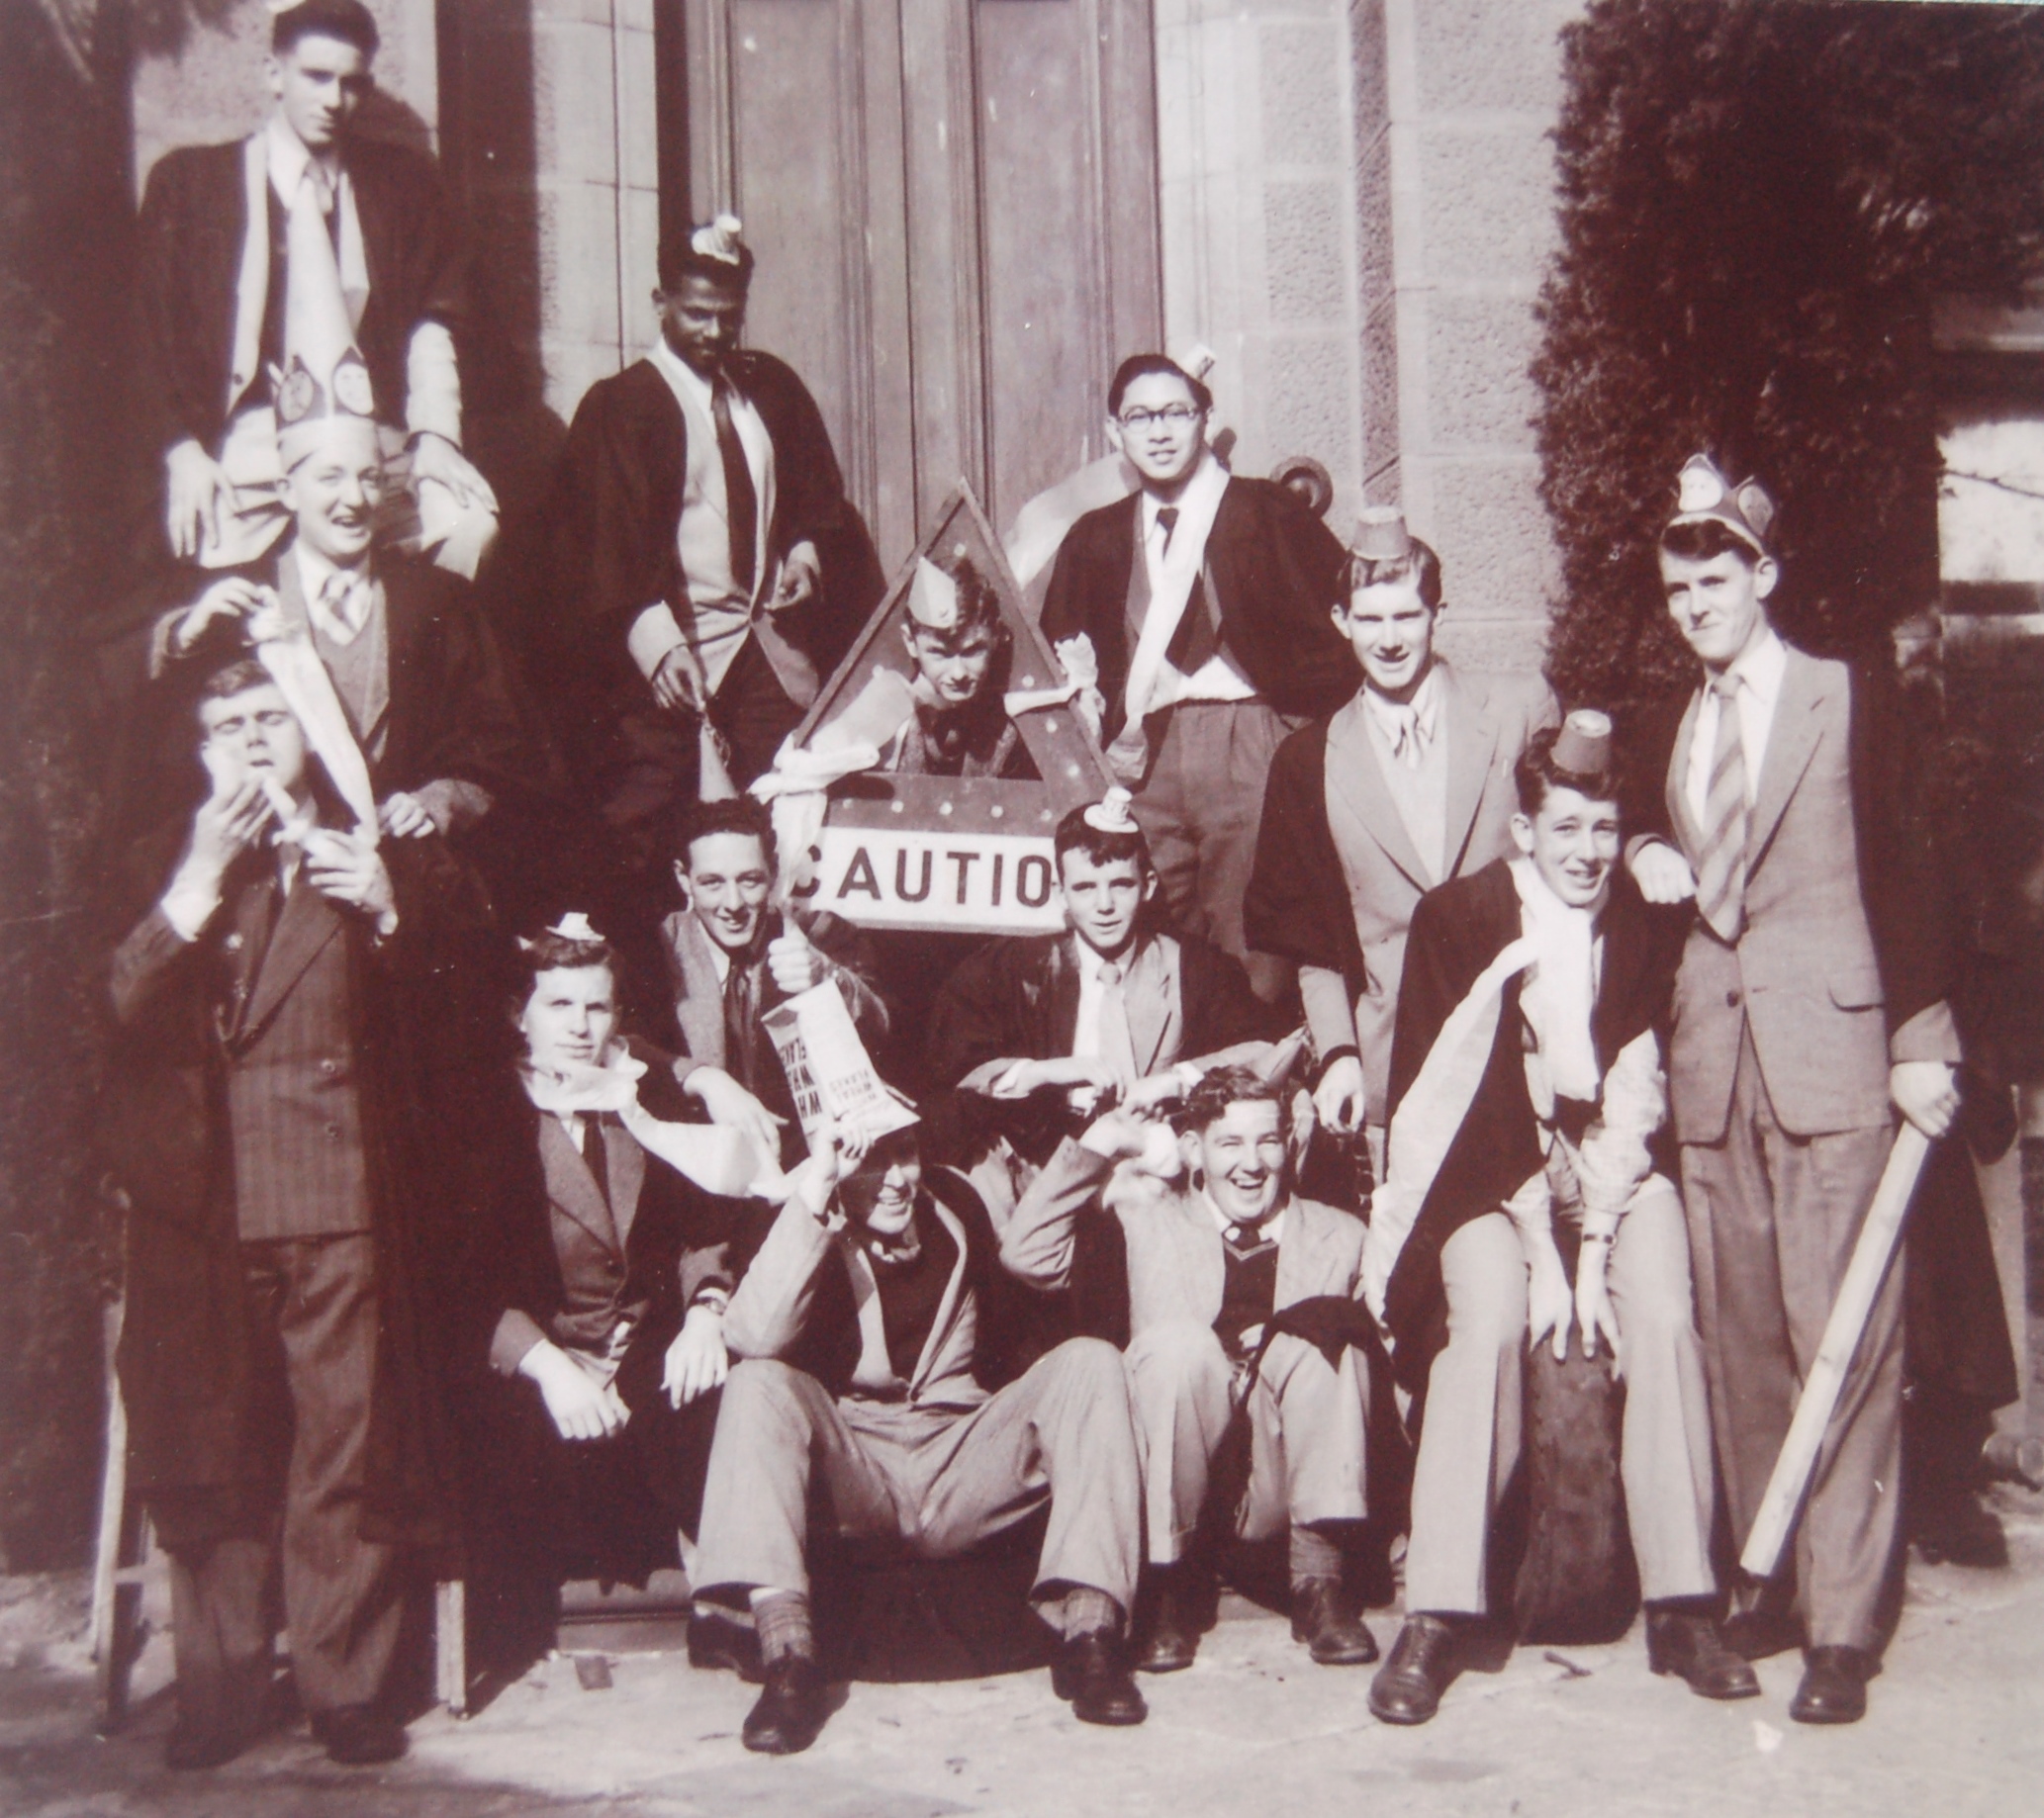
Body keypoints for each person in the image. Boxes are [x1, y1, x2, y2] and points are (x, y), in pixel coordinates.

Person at [1622, 455, 1963, 1726]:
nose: (1693, 604)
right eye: (1676, 588)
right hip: (1712, 1062)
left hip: (1833, 1051)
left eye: (1714, 579)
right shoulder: (1672, 716)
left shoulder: (1842, 693)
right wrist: (1645, 843)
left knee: (1845, 1331)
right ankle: (1763, 1570)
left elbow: (1910, 856)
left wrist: (1919, 1032)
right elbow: (1646, 829)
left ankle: (1840, 1621)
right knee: (1743, 1335)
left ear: (1761, 575)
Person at [100, 659, 489, 1769]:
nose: (253, 738)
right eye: (228, 723)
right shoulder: (165, 861)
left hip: (341, 1195)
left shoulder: (366, 850)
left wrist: (390, 907)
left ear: (310, 730)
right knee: (212, 1447)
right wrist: (196, 878)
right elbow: (117, 1006)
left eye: (272, 716)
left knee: (344, 1443)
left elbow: (462, 1012)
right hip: (204, 1211)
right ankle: (219, 1687)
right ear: (200, 749)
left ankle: (344, 1684)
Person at [1360, 713, 1750, 1726]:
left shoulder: (1636, 920)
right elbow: (1462, 1103)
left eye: (1604, 829)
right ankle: (1435, 1609)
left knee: (1661, 1309)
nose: (1585, 852)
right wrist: (1545, 1256)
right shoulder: (1459, 917)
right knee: (1490, 1316)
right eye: (1564, 828)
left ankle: (1682, 1601)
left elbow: (1634, 1091)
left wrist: (1594, 1253)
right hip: (1484, 1177)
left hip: (1607, 1165)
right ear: (1523, 830)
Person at [690, 1119, 1149, 1753]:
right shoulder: (801, 1218)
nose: (896, 1179)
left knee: (1091, 1361)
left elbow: (1027, 1267)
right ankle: (789, 1659)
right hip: (860, 1460)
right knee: (755, 1382)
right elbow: (752, 1336)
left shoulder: (954, 1206)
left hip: (960, 1452)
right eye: (869, 1161)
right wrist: (818, 1189)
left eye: (904, 1154)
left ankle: (1092, 1639)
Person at [457, 916, 765, 1670]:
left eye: (596, 1007)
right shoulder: (489, 1113)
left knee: (711, 1394)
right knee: (504, 1437)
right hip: (542, 1349)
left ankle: (724, 1607)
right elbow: (466, 1279)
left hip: (638, 1340)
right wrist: (549, 1366)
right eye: (558, 1005)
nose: (578, 1026)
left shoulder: (637, 1099)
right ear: (521, 1015)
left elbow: (700, 1229)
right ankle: (510, 1625)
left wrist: (705, 1312)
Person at [539, 213, 884, 883]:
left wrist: (804, 554)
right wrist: (655, 642)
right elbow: (604, 539)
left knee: (789, 801)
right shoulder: (621, 407)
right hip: (669, 648)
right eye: (697, 314)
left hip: (763, 647)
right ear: (661, 303)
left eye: (729, 317)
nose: (714, 332)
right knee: (652, 811)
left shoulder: (767, 389)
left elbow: (814, 493)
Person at [1002, 1067, 1379, 1675]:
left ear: (1289, 1144)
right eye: (1229, 1143)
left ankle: (1319, 1583)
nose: (1251, 1164)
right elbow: (1026, 1254)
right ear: (1193, 1151)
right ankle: (1165, 1588)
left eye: (1267, 1141)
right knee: (1181, 1345)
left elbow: (1386, 1364)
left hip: (1281, 1483)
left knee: (1326, 1334)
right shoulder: (1145, 1220)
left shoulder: (1344, 1236)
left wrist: (1285, 1340)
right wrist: (1101, 1142)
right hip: (1177, 1477)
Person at [1246, 506, 1557, 1175]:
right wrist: (1339, 1054)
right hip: (1395, 1071)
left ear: (1437, 614)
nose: (1389, 640)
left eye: (1407, 616)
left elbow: (1571, 871)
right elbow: (1312, 943)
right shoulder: (1309, 760)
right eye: (1370, 619)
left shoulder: (1519, 710)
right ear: (1341, 621)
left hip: (1522, 1054)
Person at [136, 0, 496, 577]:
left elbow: (433, 321)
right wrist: (180, 450)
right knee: (198, 553)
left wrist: (436, 437)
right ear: (274, 73)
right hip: (246, 448)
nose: (333, 100)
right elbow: (148, 333)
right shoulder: (191, 185)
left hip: (372, 446)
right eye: (316, 76)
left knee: (467, 523)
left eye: (351, 84)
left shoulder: (403, 188)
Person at [142, 358, 539, 877]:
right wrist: (182, 639)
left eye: (370, 479)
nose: (353, 499)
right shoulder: (235, 604)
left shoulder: (437, 601)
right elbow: (163, 759)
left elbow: (501, 742)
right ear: (287, 490)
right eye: (329, 477)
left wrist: (439, 799)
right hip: (268, 875)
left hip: (404, 873)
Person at [1040, 354, 1354, 999]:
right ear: (1114, 431)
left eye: (1176, 413)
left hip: (1248, 741)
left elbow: (1344, 621)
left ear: (1204, 419)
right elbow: (1057, 651)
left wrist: (1294, 732)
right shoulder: (1096, 537)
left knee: (1254, 935)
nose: (1159, 432)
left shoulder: (1267, 512)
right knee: (1149, 935)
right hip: (1141, 759)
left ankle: (1252, 1054)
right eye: (1140, 417)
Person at [926, 792, 1281, 1221]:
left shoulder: (1193, 967)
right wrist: (1045, 1071)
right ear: (1060, 893)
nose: (1104, 906)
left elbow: (1266, 1050)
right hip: (1045, 1170)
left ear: (1148, 886)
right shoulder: (1015, 968)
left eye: (1121, 885)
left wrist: (1174, 1080)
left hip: (1154, 1172)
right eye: (1084, 888)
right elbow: (960, 1073)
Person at [661, 796, 888, 1169]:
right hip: (694, 1167)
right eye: (712, 883)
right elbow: (628, 1049)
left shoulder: (818, 934)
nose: (733, 903)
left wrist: (829, 977)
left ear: (774, 870)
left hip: (805, 1163)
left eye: (749, 880)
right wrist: (701, 1077)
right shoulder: (662, 947)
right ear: (683, 879)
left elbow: (883, 1027)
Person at [880, 548, 1036, 779]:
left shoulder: (1014, 727)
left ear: (995, 637)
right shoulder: (885, 722)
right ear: (910, 642)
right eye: (940, 654)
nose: (958, 673)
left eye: (972, 652)